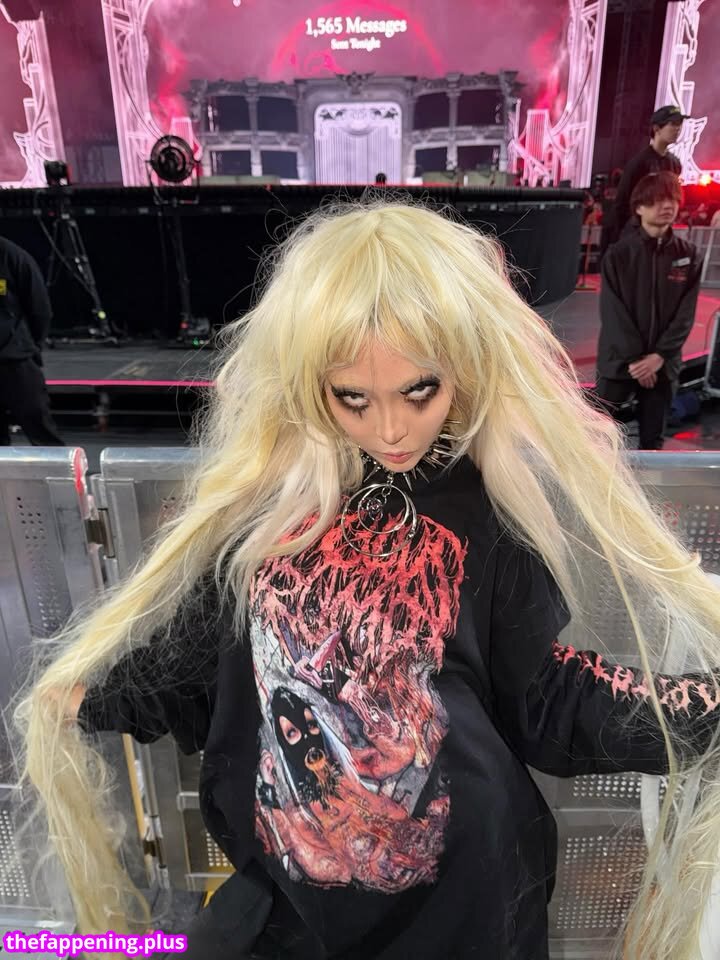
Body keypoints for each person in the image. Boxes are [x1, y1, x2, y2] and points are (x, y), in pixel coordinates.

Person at [16, 203, 720, 960]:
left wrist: (698, 710)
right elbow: (201, 666)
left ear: (466, 367)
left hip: (463, 912)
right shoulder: (265, 516)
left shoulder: (488, 517)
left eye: (420, 391)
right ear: (308, 383)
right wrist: (97, 697)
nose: (390, 429)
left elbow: (545, 699)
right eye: (352, 397)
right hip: (289, 905)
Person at [596, 171, 701, 449]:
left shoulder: (688, 255)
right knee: (599, 437)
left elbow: (685, 315)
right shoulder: (618, 255)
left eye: (673, 199)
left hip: (663, 366)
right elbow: (613, 312)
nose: (667, 206)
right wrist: (637, 360)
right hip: (620, 362)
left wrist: (659, 356)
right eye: (657, 200)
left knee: (653, 442)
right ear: (639, 208)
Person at [0, 235, 63, 445]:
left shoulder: (11, 256)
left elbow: (40, 308)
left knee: (42, 432)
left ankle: (58, 467)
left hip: (15, 360)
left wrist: (28, 346)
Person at [604, 105, 687, 254]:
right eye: (673, 124)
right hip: (636, 234)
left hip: (660, 234)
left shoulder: (674, 164)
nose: (678, 129)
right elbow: (622, 202)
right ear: (657, 128)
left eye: (680, 124)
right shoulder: (638, 163)